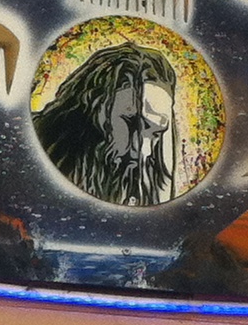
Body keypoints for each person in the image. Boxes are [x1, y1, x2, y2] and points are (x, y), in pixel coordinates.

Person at [33, 42, 179, 207]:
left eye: (156, 133)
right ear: (95, 105)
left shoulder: (140, 175)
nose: (143, 151)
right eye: (131, 123)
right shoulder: (32, 145)